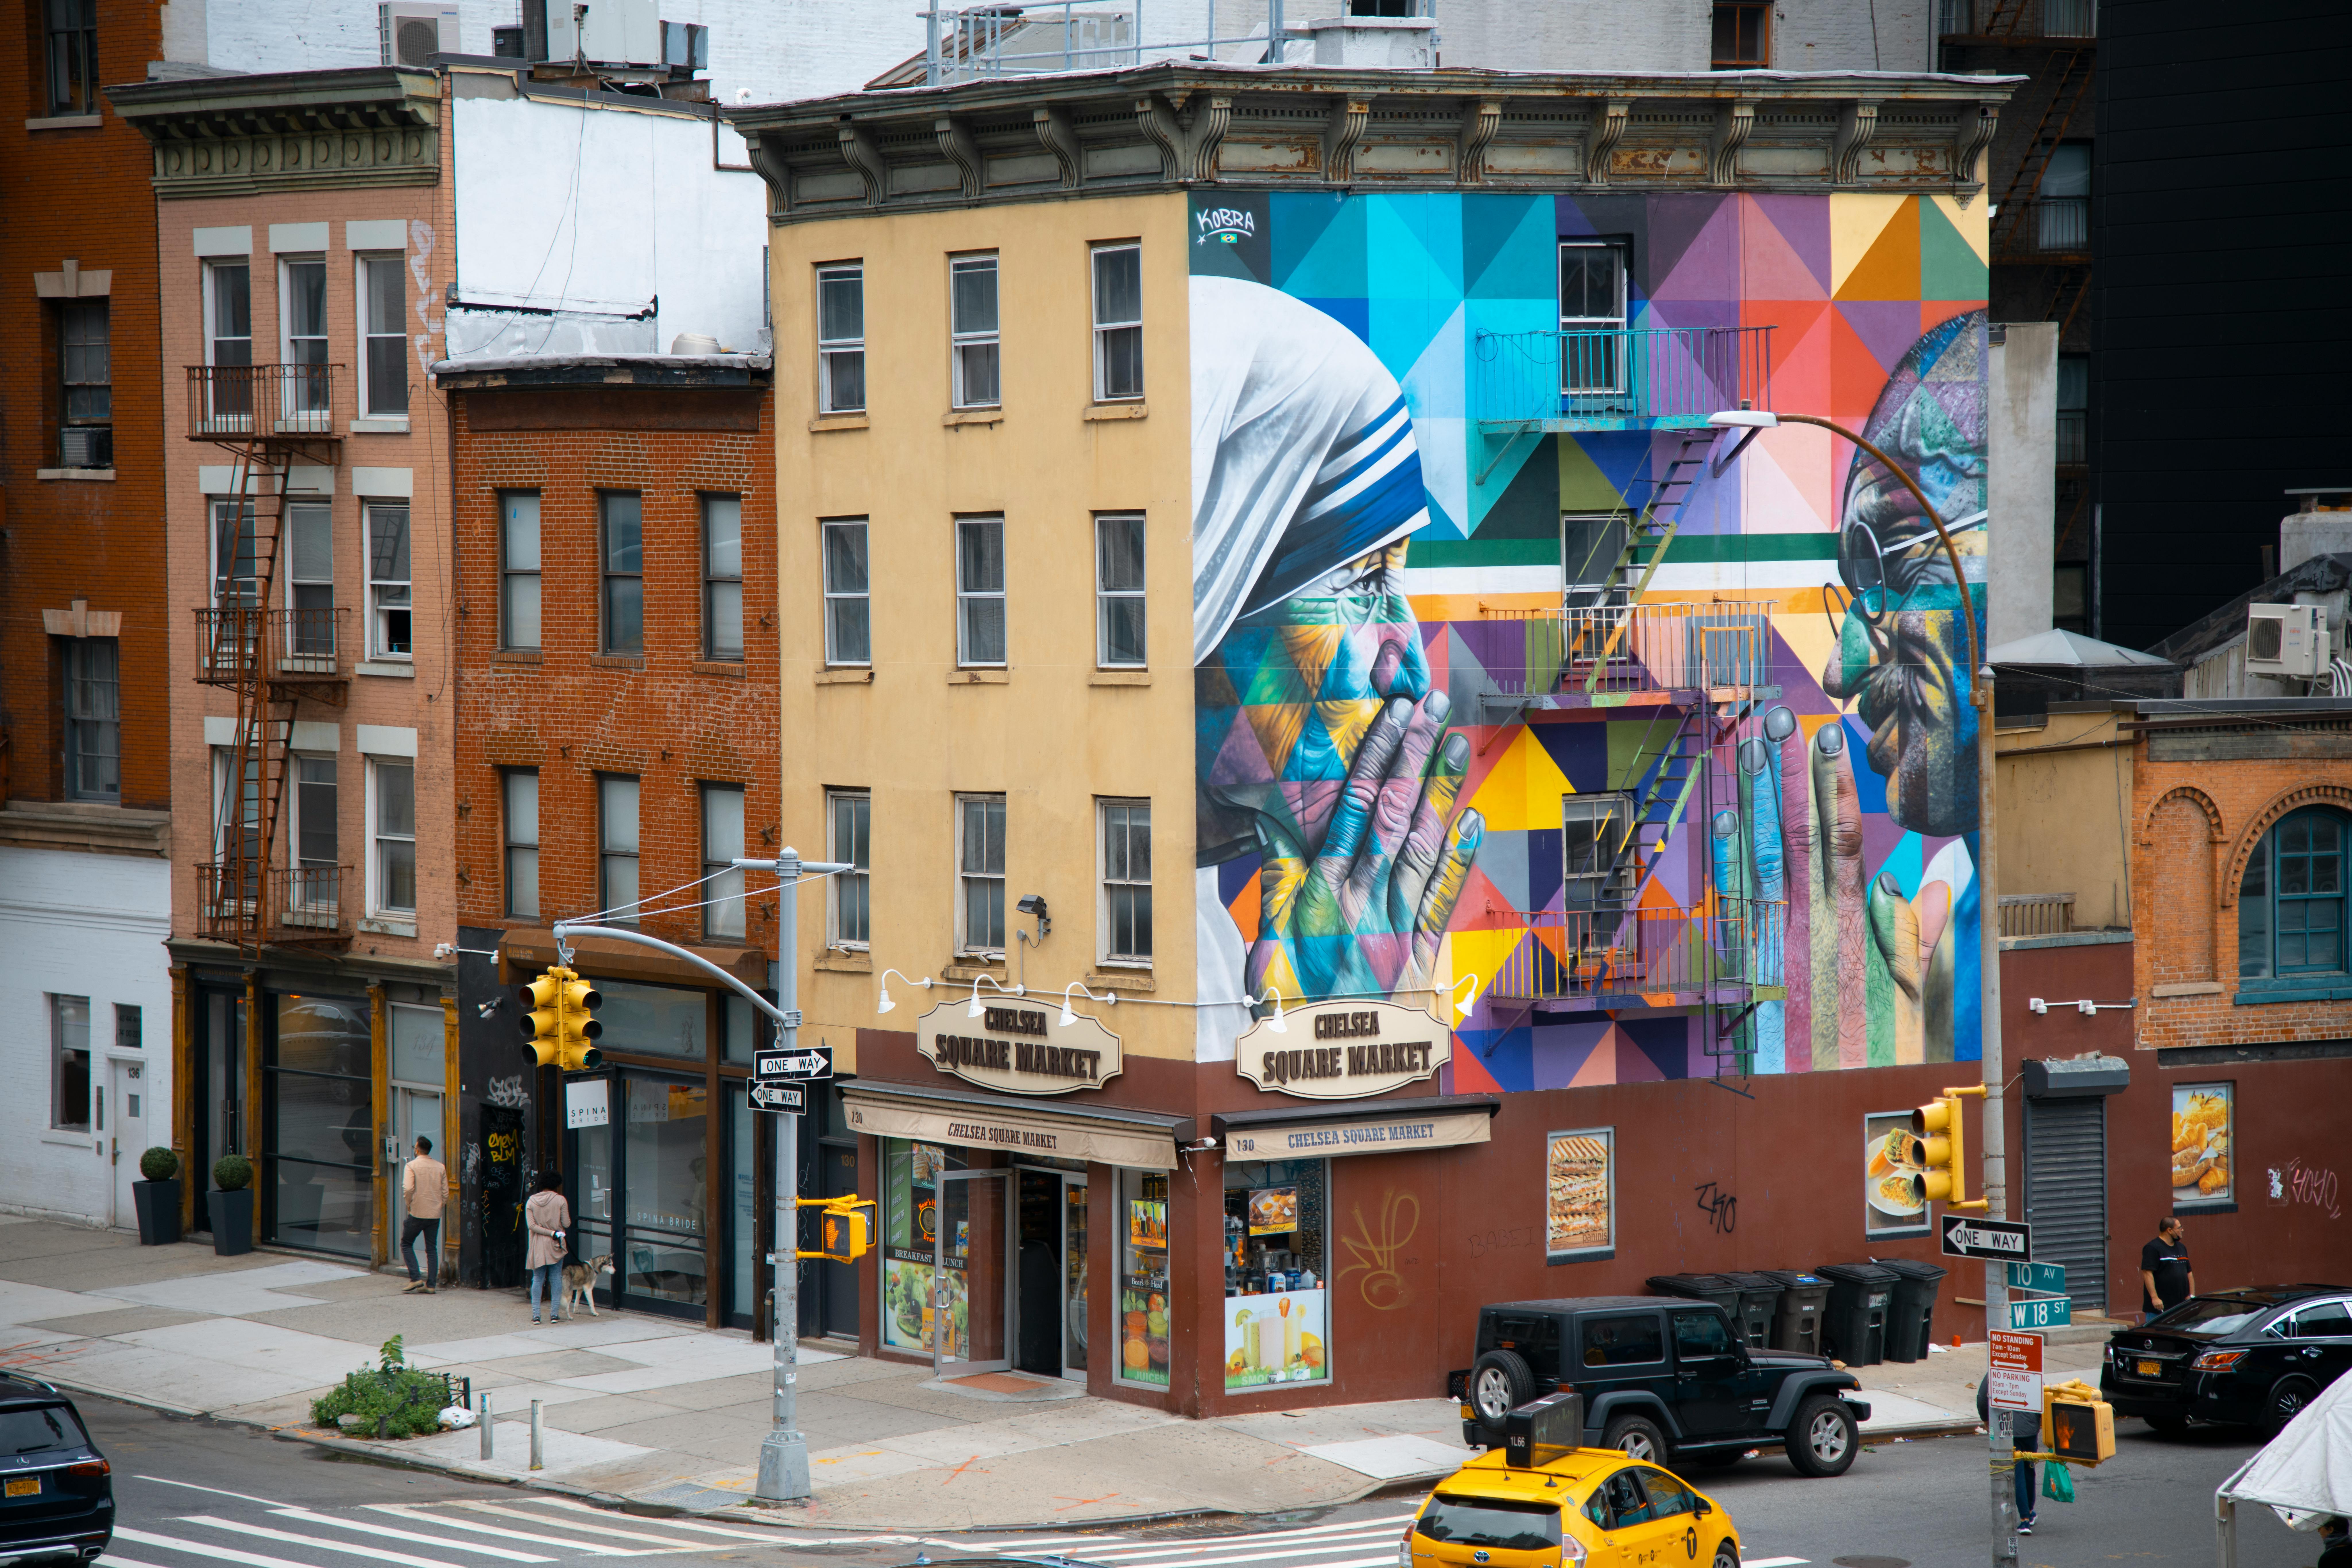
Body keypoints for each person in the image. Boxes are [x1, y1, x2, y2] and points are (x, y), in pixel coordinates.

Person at [1976, 1373, 2041, 1533]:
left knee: (2018, 1473)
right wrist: (2039, 1423)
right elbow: (2042, 1396)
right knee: (2029, 1470)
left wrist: (1986, 1420)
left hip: (2009, 1428)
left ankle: (2024, 1519)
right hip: (2030, 1428)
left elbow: (1982, 1400)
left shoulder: (1996, 1369)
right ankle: (2030, 1512)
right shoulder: (2032, 1370)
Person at [399, 1136, 446, 1294]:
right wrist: (439, 1206)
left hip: (418, 1212)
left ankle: (416, 1278)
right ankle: (431, 1285)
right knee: (432, 1249)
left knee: (406, 1244)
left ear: (417, 1150)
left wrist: (409, 1204)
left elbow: (408, 1189)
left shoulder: (411, 1166)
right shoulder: (440, 1167)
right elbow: (445, 1193)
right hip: (434, 1214)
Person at [525, 1170, 571, 1324]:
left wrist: (547, 1232)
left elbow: (532, 1226)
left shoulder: (531, 1202)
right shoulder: (561, 1200)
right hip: (556, 1245)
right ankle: (554, 1315)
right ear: (557, 1185)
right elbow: (567, 1224)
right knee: (556, 1278)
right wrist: (553, 1232)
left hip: (537, 1245)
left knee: (537, 1279)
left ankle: (536, 1315)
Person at [2140, 1217, 2196, 1320]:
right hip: (2160, 1310)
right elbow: (2148, 1274)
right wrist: (2155, 1298)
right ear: (2170, 1230)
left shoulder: (2182, 1248)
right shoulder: (2152, 1248)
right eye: (2179, 1228)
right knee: (2157, 1335)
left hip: (2181, 1308)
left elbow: (2189, 1273)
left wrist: (2191, 1295)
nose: (2182, 1230)